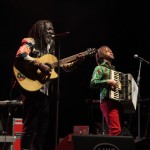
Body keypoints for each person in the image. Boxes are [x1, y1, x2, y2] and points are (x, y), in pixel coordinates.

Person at [13, 19, 84, 150]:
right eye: (47, 28)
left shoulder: (51, 51)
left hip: (44, 91)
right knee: (30, 125)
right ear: (39, 29)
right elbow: (21, 54)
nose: (51, 30)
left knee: (42, 128)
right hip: (30, 88)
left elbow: (63, 67)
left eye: (52, 28)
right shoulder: (31, 41)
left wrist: (76, 62)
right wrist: (39, 64)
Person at [90, 45, 123, 136]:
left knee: (117, 130)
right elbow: (93, 83)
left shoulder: (113, 71)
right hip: (107, 101)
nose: (111, 52)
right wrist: (108, 81)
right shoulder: (99, 68)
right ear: (102, 54)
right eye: (108, 51)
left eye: (111, 50)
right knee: (115, 131)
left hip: (116, 102)